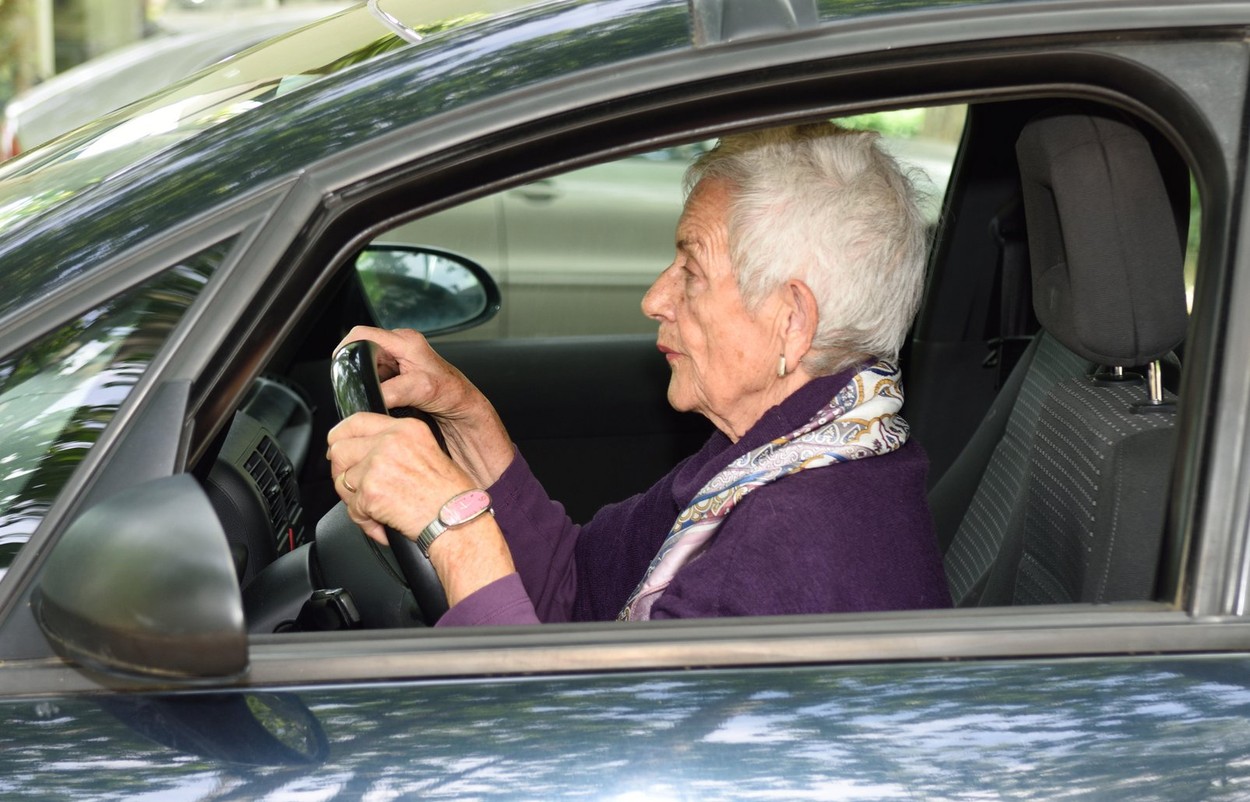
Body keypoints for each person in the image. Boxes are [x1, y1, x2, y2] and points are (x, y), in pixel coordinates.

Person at [326, 122, 951, 625]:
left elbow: (565, 755)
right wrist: (463, 414)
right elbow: (579, 587)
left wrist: (453, 530)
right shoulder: (779, 455)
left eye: (691, 272)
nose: (655, 298)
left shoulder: (789, 556)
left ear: (790, 320)